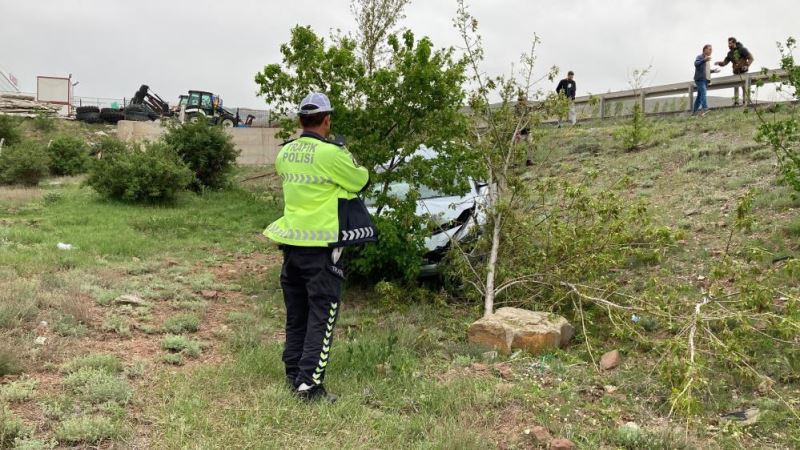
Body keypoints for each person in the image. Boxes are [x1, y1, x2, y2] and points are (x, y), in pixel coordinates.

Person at [264, 92, 377, 402]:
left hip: (291, 247)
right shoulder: (331, 154)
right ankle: (309, 386)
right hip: (324, 248)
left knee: (297, 313)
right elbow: (360, 180)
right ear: (327, 120)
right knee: (322, 315)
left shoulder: (285, 154)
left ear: (300, 120)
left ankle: (293, 374)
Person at [715, 37, 754, 106]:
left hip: (743, 71)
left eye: (730, 43)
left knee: (744, 87)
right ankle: (736, 102)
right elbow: (725, 62)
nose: (729, 45)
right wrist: (719, 63)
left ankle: (745, 101)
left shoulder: (742, 49)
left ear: (734, 43)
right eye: (728, 43)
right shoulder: (730, 53)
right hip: (736, 72)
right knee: (736, 85)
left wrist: (747, 65)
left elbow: (751, 58)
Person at [693, 44, 720, 116]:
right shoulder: (700, 57)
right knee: (703, 92)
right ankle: (705, 108)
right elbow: (696, 63)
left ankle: (694, 113)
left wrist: (714, 71)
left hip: (705, 80)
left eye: (711, 49)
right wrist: (704, 60)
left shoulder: (707, 59)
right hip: (699, 79)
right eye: (709, 49)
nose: (711, 51)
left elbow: (706, 70)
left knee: (699, 96)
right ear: (705, 50)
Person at [514, 94, 534, 166]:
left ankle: (529, 160)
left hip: (528, 130)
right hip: (520, 132)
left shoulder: (528, 108)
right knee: (518, 147)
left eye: (524, 100)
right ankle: (515, 163)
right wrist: (517, 132)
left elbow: (531, 113)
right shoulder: (516, 109)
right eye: (520, 100)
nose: (521, 102)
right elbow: (515, 121)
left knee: (530, 145)